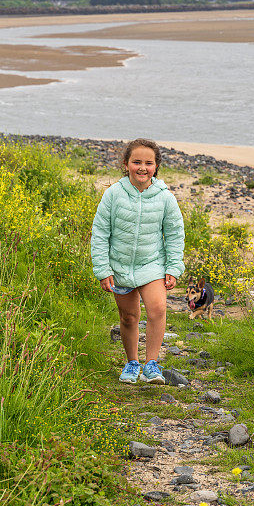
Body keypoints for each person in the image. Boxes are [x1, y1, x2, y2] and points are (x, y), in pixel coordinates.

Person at [91, 138, 185, 384]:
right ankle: (132, 363)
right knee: (129, 317)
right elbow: (100, 232)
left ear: (156, 166)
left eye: (148, 163)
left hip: (152, 265)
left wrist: (173, 267)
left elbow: (175, 234)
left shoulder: (165, 198)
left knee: (158, 309)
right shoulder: (113, 195)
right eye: (137, 162)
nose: (142, 167)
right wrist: (103, 269)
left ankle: (151, 364)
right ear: (126, 164)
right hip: (119, 267)